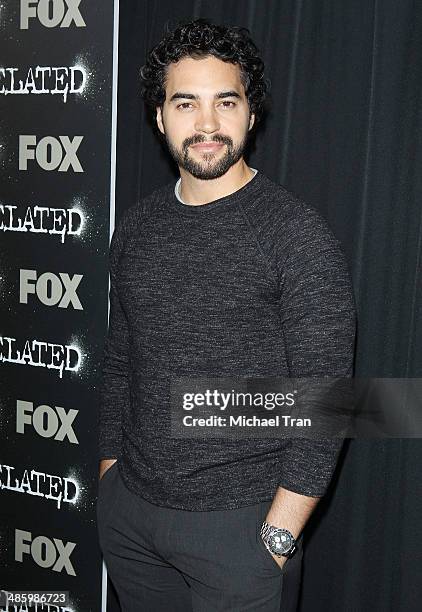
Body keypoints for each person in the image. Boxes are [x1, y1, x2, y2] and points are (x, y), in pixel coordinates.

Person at [96, 18, 356, 612]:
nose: (207, 124)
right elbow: (120, 360)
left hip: (240, 530)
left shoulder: (297, 235)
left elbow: (328, 398)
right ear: (160, 117)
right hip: (130, 515)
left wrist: (277, 536)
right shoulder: (136, 228)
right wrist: (111, 477)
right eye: (186, 103)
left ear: (251, 115)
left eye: (226, 102)